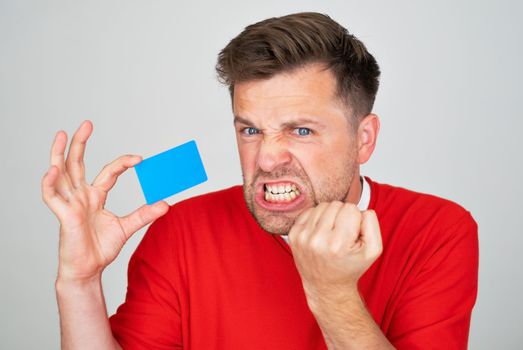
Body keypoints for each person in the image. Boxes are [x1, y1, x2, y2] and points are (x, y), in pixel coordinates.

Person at [41, 12, 478, 350]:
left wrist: (332, 291)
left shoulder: (438, 229)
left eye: (300, 130)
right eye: (250, 130)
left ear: (364, 139)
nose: (266, 158)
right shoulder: (181, 229)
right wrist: (79, 282)